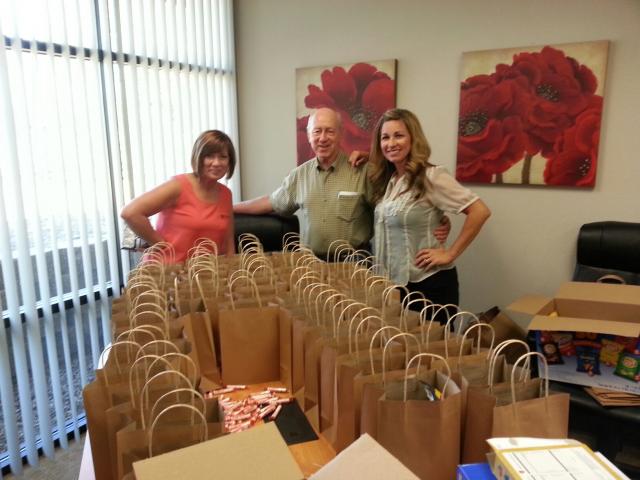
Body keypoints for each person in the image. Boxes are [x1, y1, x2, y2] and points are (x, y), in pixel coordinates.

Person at [233, 107, 449, 257]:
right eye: (317, 131)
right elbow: (272, 202)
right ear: (309, 136)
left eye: (329, 131)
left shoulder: (363, 170)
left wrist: (438, 220)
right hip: (311, 264)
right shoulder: (299, 176)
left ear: (340, 134)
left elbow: (400, 204)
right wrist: (229, 207)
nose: (323, 138)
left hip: (354, 262)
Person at [368, 108, 490, 318]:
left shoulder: (431, 176)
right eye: (385, 137)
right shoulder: (390, 180)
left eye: (399, 135)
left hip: (428, 285)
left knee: (431, 349)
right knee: (400, 349)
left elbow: (480, 211)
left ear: (413, 139)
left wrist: (450, 253)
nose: (391, 143)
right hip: (394, 284)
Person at [121, 130, 236, 262]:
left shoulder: (226, 194)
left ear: (229, 161)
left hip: (202, 274)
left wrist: (230, 268)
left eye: (223, 157)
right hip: (166, 272)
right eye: (209, 156)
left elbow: (228, 241)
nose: (216, 163)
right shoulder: (178, 186)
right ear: (198, 157)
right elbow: (130, 213)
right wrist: (158, 243)